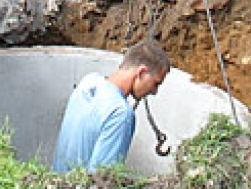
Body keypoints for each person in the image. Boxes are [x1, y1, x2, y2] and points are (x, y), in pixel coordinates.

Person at [51, 40, 171, 173]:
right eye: (155, 83)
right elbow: (101, 179)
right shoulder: (121, 114)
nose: (154, 92)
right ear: (141, 72)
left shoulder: (89, 82)